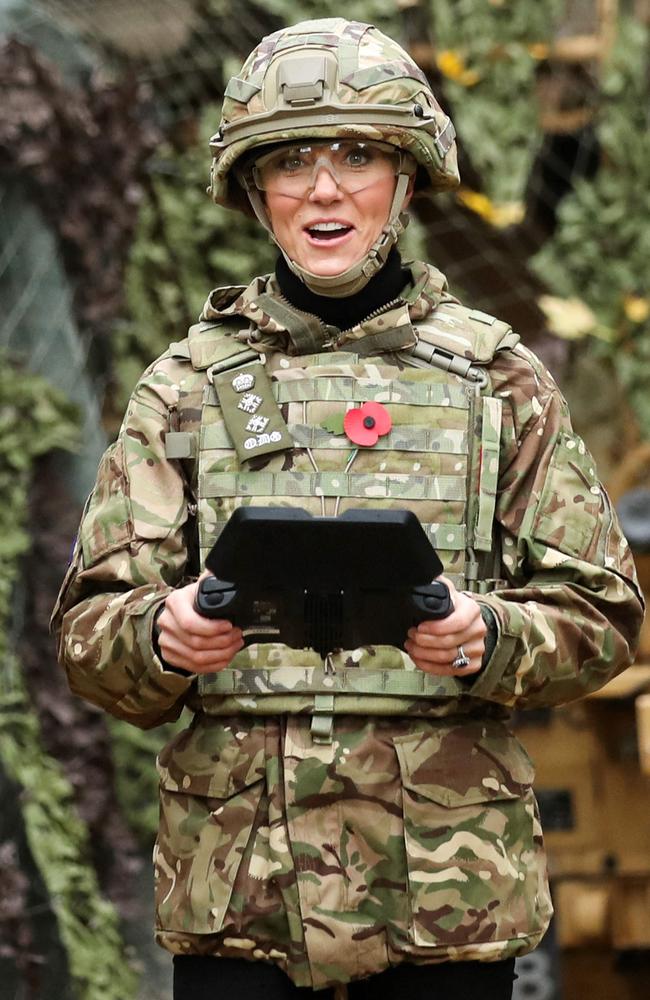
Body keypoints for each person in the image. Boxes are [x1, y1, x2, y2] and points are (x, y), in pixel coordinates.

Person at [52, 17, 643, 1000]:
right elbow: (87, 631)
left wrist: (483, 635)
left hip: (444, 902)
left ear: (406, 180)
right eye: (290, 161)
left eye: (359, 155)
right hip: (238, 900)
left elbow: (602, 614)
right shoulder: (187, 388)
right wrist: (164, 635)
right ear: (253, 189)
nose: (323, 190)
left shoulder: (497, 380)